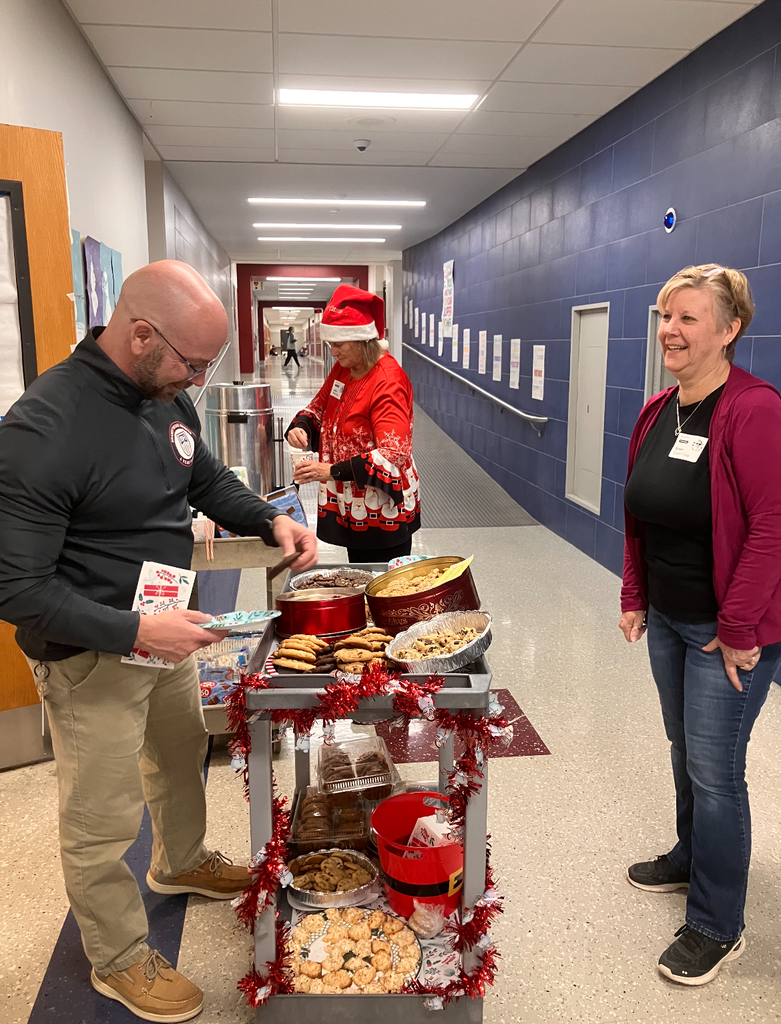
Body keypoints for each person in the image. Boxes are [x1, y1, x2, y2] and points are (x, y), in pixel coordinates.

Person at [0, 260, 318, 1021]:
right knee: (102, 816)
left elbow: (203, 481)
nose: (197, 380)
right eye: (191, 362)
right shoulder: (44, 428)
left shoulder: (163, 397)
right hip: (92, 655)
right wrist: (136, 628)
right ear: (139, 332)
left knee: (179, 758)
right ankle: (115, 956)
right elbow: (16, 589)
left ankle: (179, 864)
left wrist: (268, 517)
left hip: (160, 633)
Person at [620, 264, 781, 986]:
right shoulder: (658, 409)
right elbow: (637, 512)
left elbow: (772, 525)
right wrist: (634, 593)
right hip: (667, 617)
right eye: (663, 315)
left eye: (687, 318)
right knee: (685, 750)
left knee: (715, 773)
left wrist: (741, 625)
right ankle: (689, 858)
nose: (669, 330)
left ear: (728, 329)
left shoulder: (752, 410)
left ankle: (718, 924)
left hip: (729, 631)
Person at [286, 284, 420, 563]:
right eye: (330, 344)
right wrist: (301, 426)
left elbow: (393, 454)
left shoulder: (388, 381)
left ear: (362, 341)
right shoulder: (345, 369)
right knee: (360, 569)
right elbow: (319, 408)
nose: (333, 352)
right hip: (351, 505)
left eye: (338, 344)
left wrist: (331, 470)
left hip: (381, 509)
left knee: (382, 582)